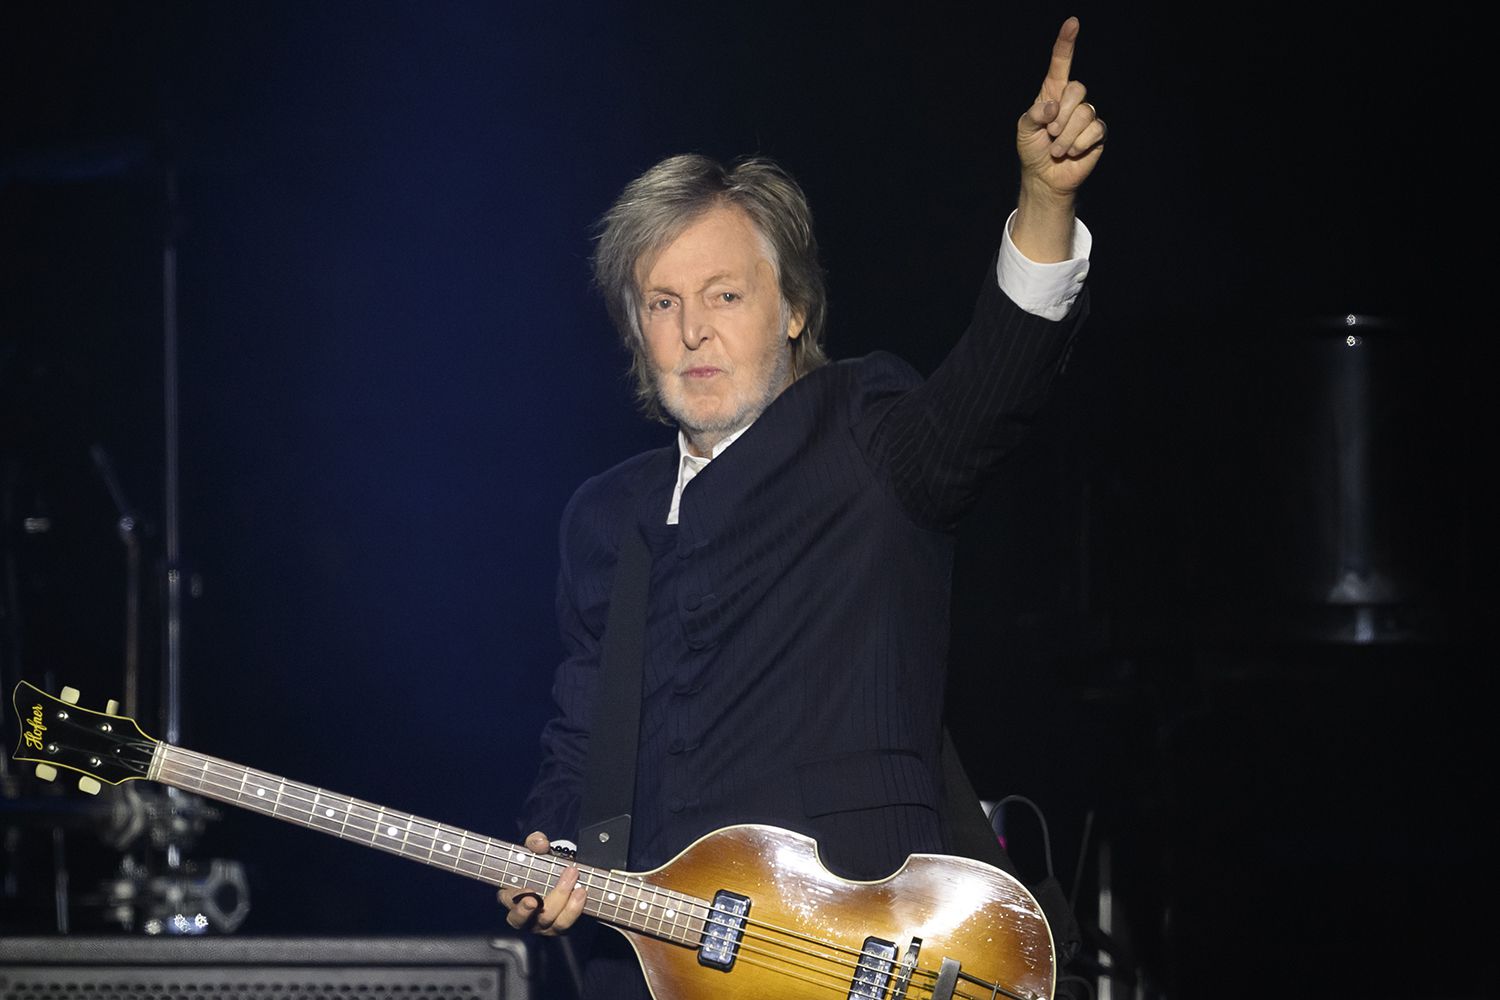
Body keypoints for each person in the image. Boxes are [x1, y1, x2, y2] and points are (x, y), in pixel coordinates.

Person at [501, 16, 1106, 998]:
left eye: (725, 296)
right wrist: (557, 844)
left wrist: (1043, 204)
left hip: (859, 960)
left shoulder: (860, 430)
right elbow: (580, 741)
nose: (692, 328)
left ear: (792, 311)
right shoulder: (604, 518)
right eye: (661, 302)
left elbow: (986, 397)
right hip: (656, 969)